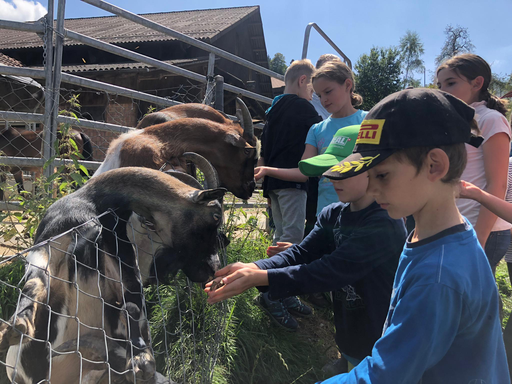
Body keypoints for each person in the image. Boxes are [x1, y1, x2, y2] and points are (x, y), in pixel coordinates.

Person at [301, 88, 507, 383]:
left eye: (382, 175)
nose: (371, 190)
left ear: (434, 165)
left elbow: (385, 376)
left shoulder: (438, 276)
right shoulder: (442, 237)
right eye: (368, 176)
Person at [206, 125, 407, 369]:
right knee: (350, 356)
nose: (329, 178)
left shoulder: (383, 223)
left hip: (382, 338)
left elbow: (330, 270)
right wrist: (254, 267)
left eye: (341, 170)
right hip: (349, 329)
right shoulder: (333, 214)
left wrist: (261, 277)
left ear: (372, 170)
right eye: (328, 169)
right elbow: (302, 252)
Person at [257, 58, 322, 330]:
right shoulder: (304, 109)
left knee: (279, 237)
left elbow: (265, 147)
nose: (313, 97)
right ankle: (271, 295)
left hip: (273, 183)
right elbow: (322, 131)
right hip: (294, 183)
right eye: (313, 91)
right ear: (303, 81)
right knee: (292, 242)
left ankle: (283, 291)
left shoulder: (274, 109)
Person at [437, 53, 512, 275]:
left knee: (475, 298)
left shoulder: (491, 119)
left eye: (451, 83)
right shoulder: (457, 123)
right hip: (457, 223)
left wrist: (478, 237)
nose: (443, 91)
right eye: (440, 85)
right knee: (465, 295)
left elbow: (498, 185)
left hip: (485, 229)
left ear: (477, 83)